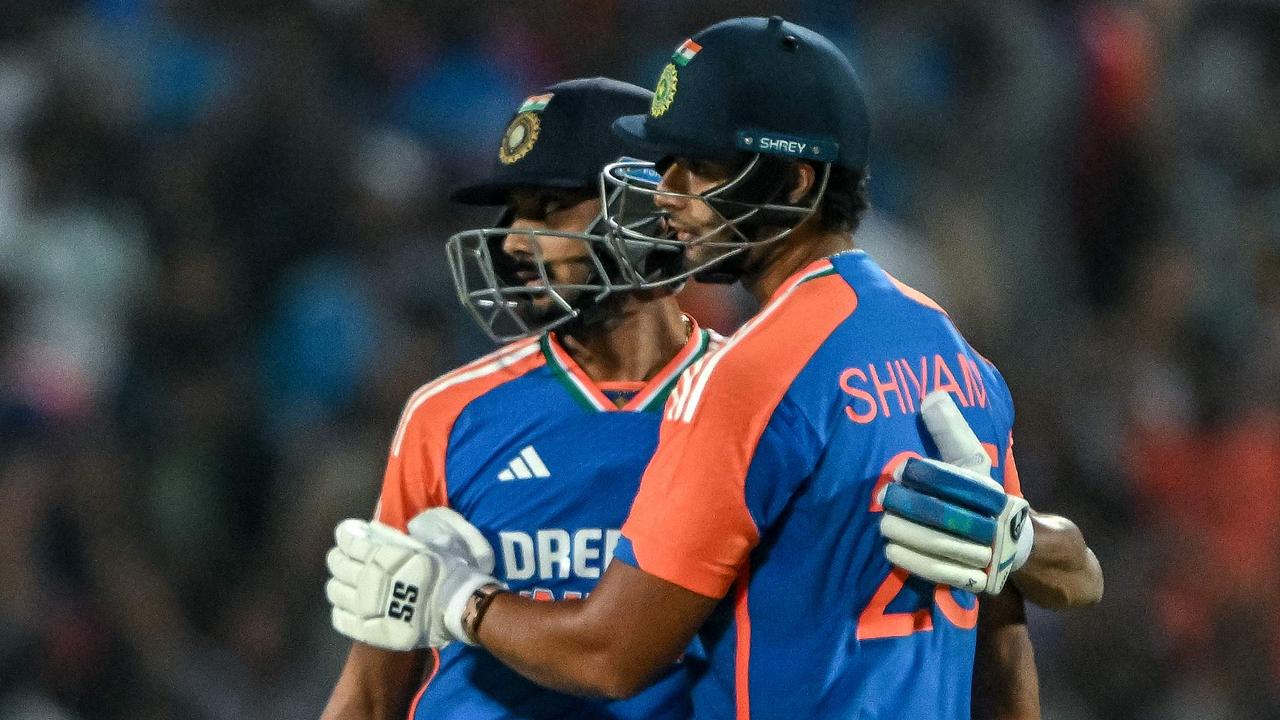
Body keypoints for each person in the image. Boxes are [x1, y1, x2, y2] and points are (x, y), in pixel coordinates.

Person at [326, 18, 1103, 719]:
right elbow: (1018, 634)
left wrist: (463, 601)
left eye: (697, 168)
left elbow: (612, 655)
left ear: (796, 181)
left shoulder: (754, 379)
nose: (669, 196)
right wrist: (1022, 540)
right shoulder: (948, 352)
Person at [320, 77, 714, 720]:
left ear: (645, 208)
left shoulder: (750, 401)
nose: (511, 240)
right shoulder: (446, 415)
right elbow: (369, 692)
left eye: (550, 206)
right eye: (512, 211)